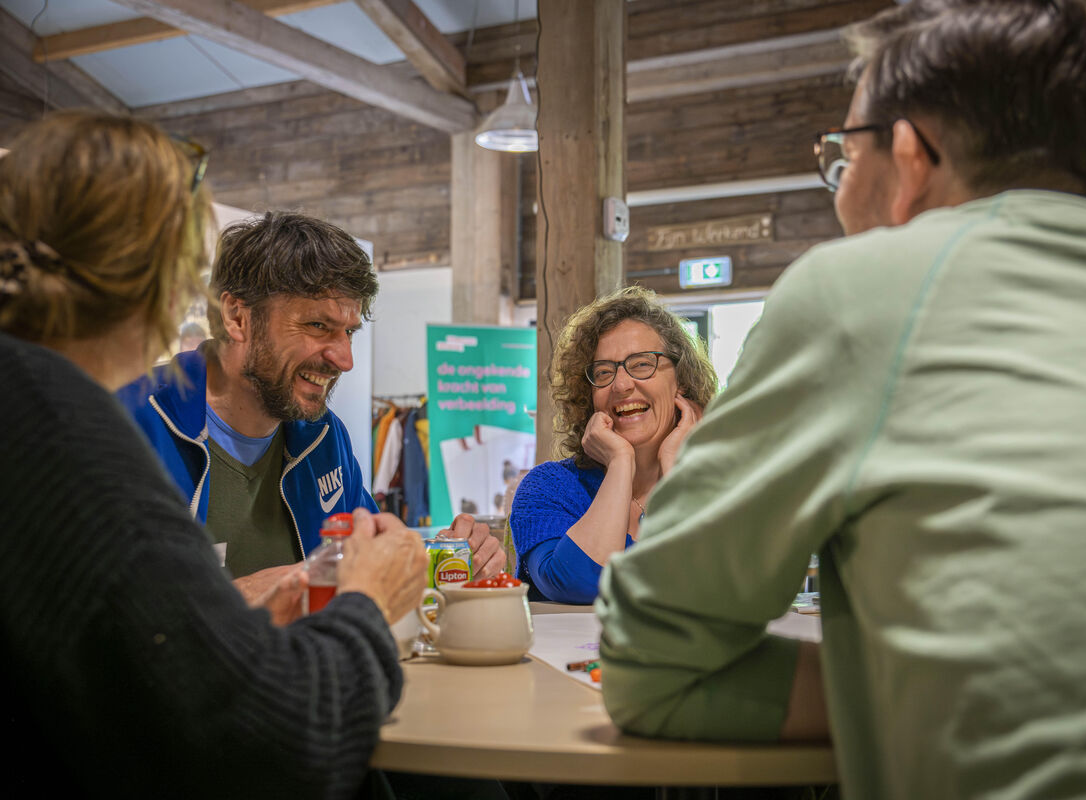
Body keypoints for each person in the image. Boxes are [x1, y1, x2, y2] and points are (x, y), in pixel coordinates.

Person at [597, 1, 1086, 798]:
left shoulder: (854, 291)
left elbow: (648, 658)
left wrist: (902, 693)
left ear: (909, 156)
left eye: (842, 154)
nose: (840, 185)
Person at [0, 111, 429, 797]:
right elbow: (279, 737)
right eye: (319, 325)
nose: (341, 357)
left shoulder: (32, 402)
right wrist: (367, 604)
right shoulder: (76, 427)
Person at [118, 211, 504, 607]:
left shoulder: (324, 436)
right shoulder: (125, 426)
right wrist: (232, 600)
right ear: (237, 317)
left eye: (349, 332)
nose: (344, 358)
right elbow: (79, 617)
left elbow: (368, 568)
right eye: (318, 326)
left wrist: (439, 563)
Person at [509, 286, 717, 603]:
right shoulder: (549, 488)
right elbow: (578, 583)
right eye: (604, 372)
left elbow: (726, 582)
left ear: (682, 380)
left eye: (643, 364)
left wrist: (677, 468)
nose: (621, 385)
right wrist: (620, 462)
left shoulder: (721, 485)